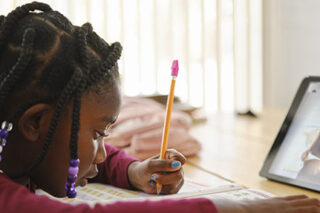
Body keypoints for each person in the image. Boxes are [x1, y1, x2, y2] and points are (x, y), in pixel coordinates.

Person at [0, 2, 319, 212]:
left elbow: (95, 156)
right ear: (35, 122)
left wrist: (132, 170)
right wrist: (241, 208)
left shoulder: (15, 148)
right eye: (97, 134)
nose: (101, 152)